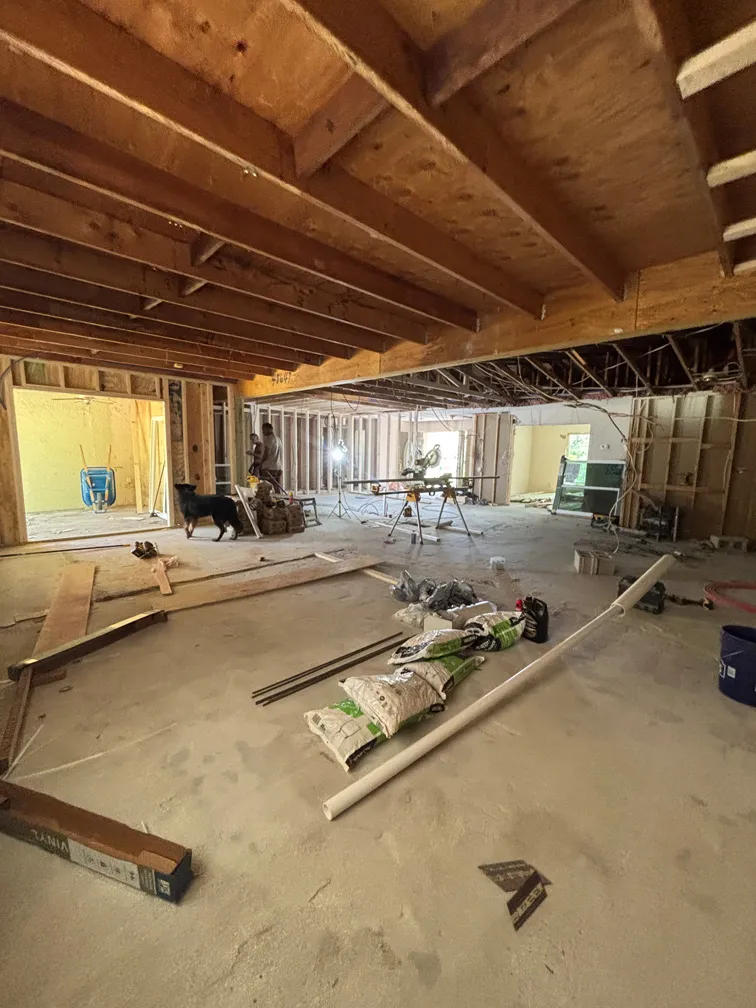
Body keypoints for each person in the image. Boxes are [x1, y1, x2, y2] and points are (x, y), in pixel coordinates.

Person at [260, 422, 284, 492]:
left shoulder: (269, 439)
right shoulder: (278, 439)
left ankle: (271, 502)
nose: (262, 432)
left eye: (263, 430)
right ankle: (279, 501)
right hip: (278, 467)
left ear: (267, 429)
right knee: (277, 487)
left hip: (270, 468)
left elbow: (266, 454)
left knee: (267, 488)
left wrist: (261, 463)